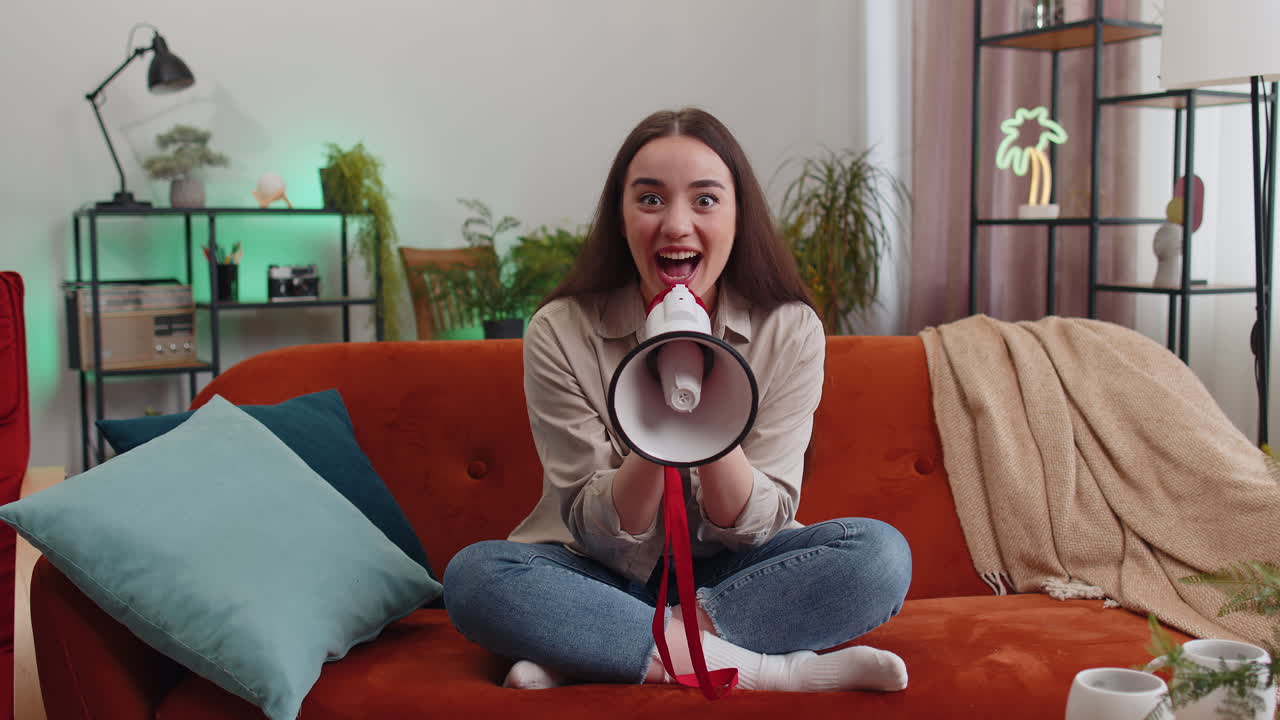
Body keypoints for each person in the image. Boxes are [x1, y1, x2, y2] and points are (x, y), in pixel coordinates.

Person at [444, 108, 912, 693]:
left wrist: (710, 412)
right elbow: (595, 529)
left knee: (880, 557)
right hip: (594, 571)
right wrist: (657, 423)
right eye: (650, 200)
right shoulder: (560, 330)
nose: (676, 225)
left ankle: (597, 647)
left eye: (706, 200)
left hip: (735, 578)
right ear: (620, 220)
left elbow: (759, 524)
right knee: (476, 577)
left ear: (739, 218)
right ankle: (768, 671)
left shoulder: (790, 329)